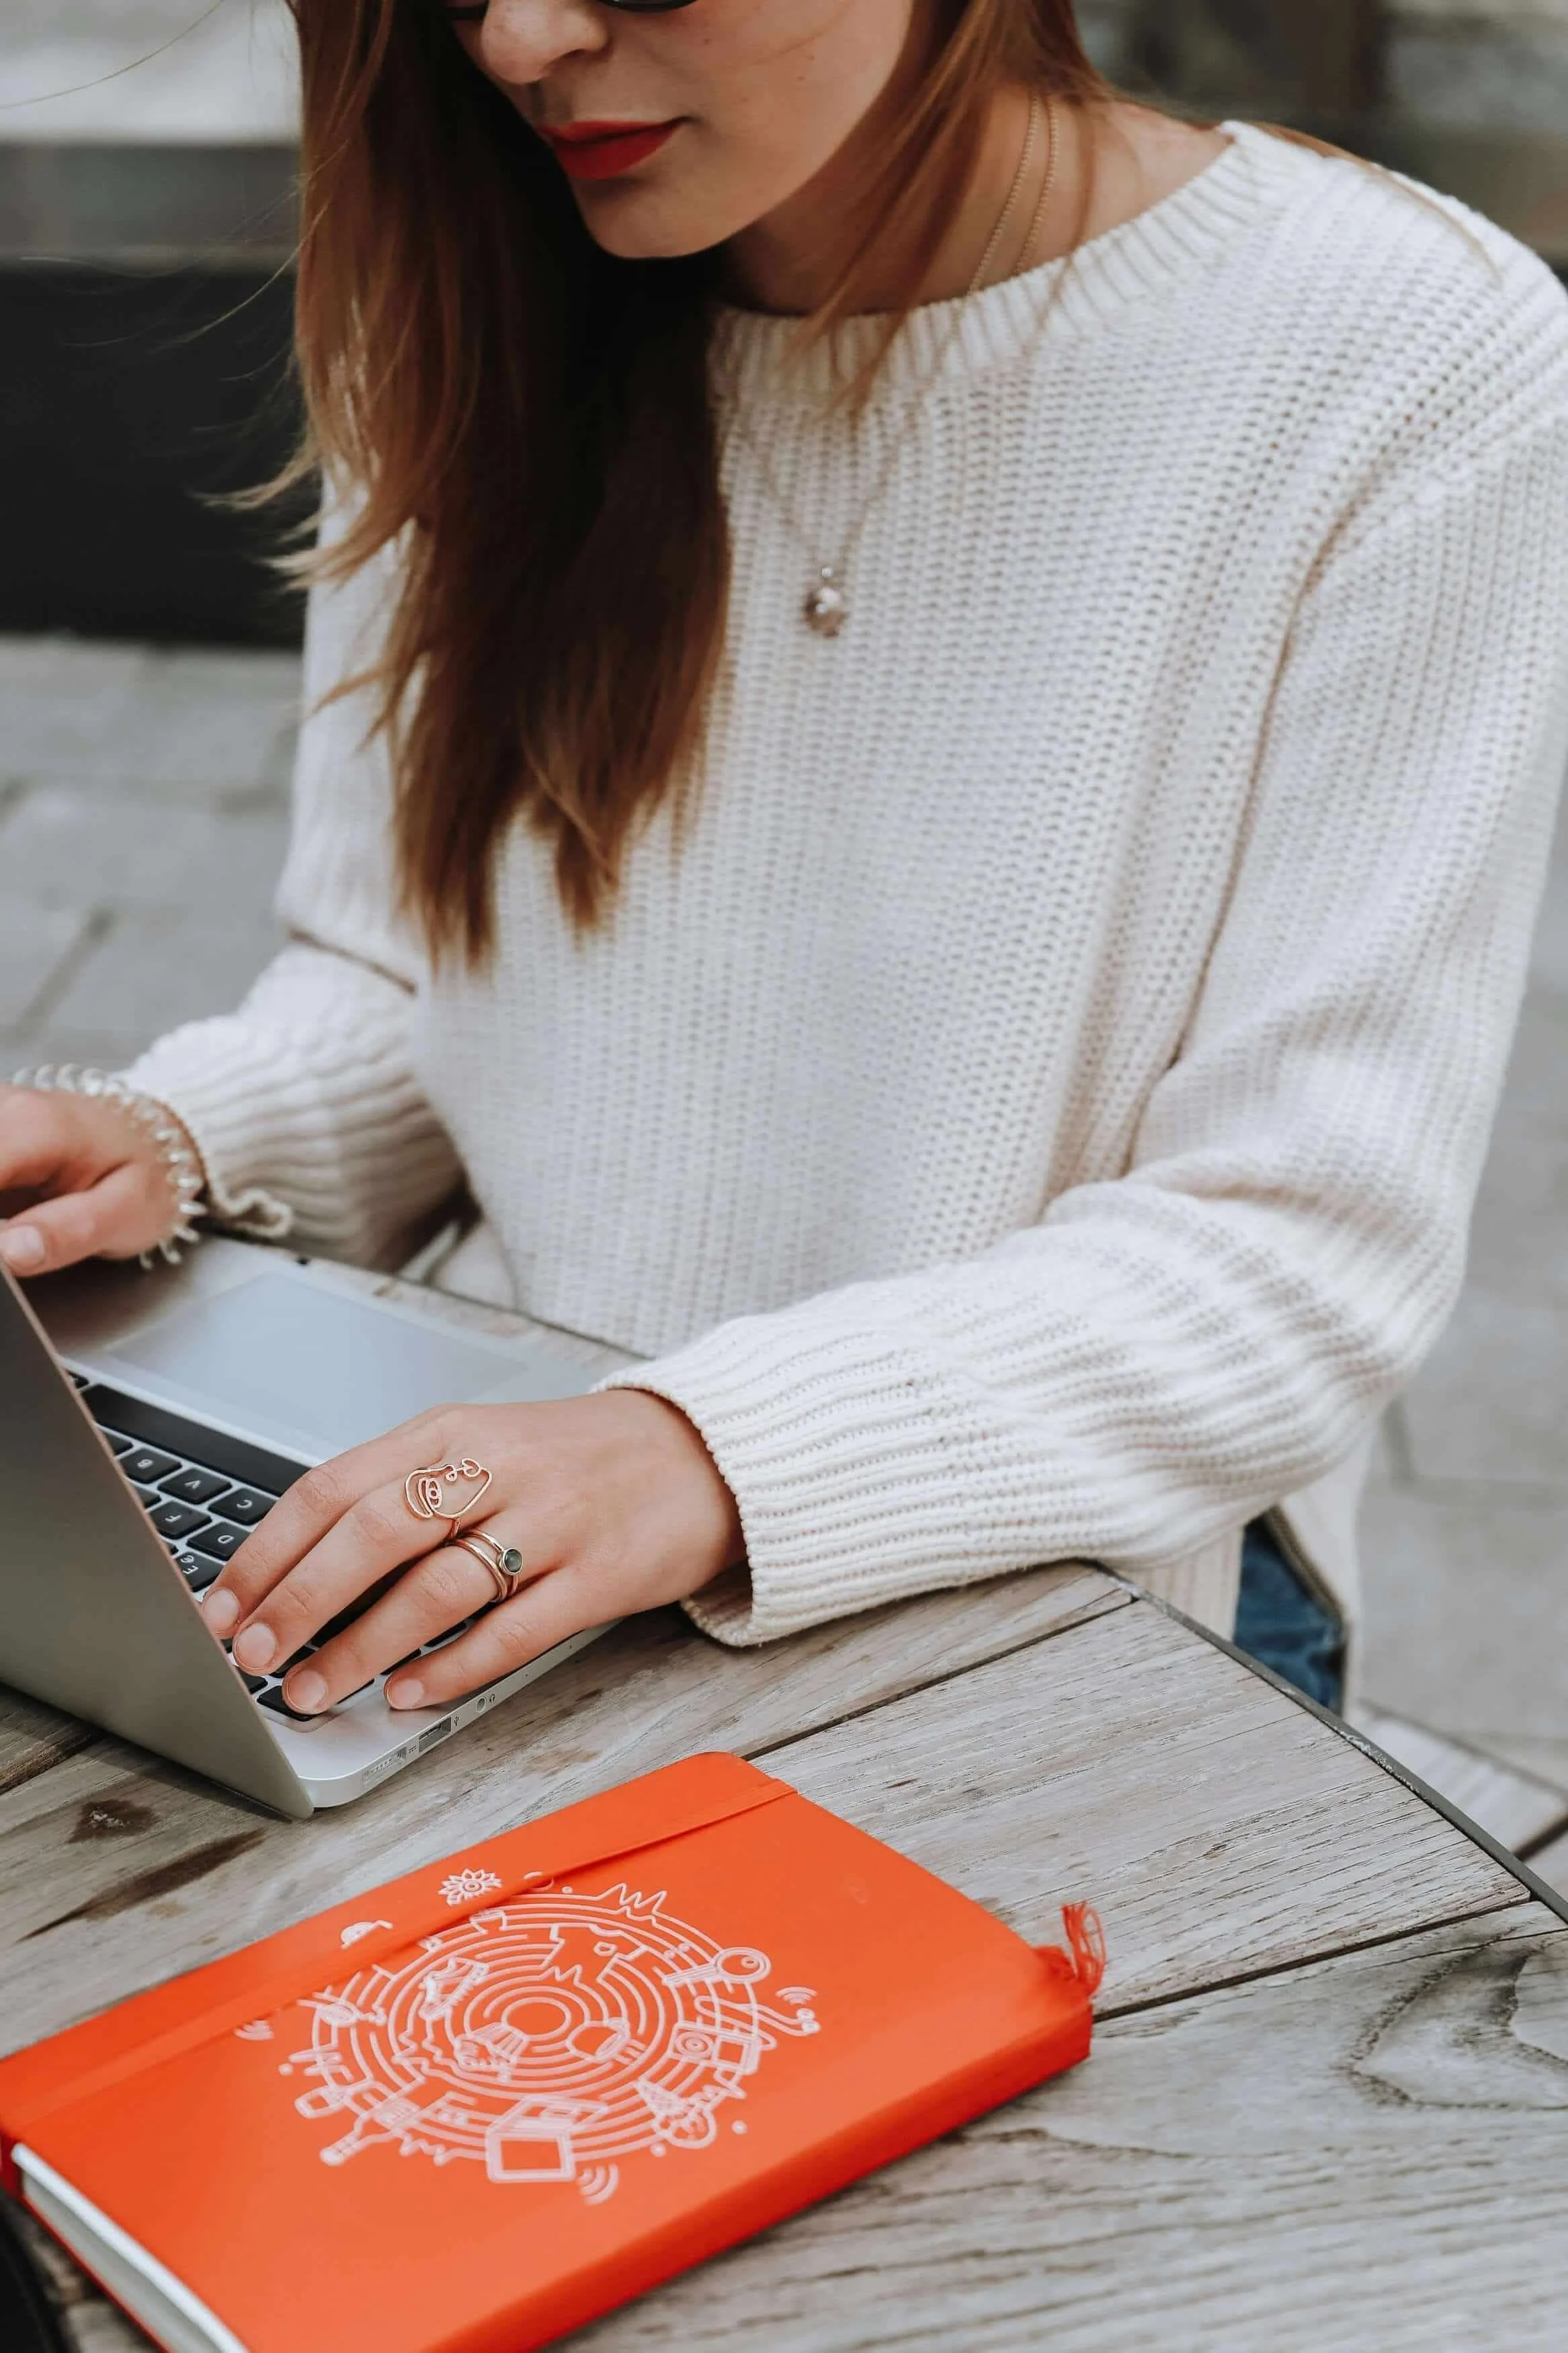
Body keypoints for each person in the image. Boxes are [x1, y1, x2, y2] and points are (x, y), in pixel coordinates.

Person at [3, 0, 1565, 1725]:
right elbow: (415, 987)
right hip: (520, 1541)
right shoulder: (475, 282)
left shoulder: (1403, 358)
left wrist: (699, 1452)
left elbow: (1295, 1258)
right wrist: (180, 1140)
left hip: (1076, 1622)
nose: (518, 39)